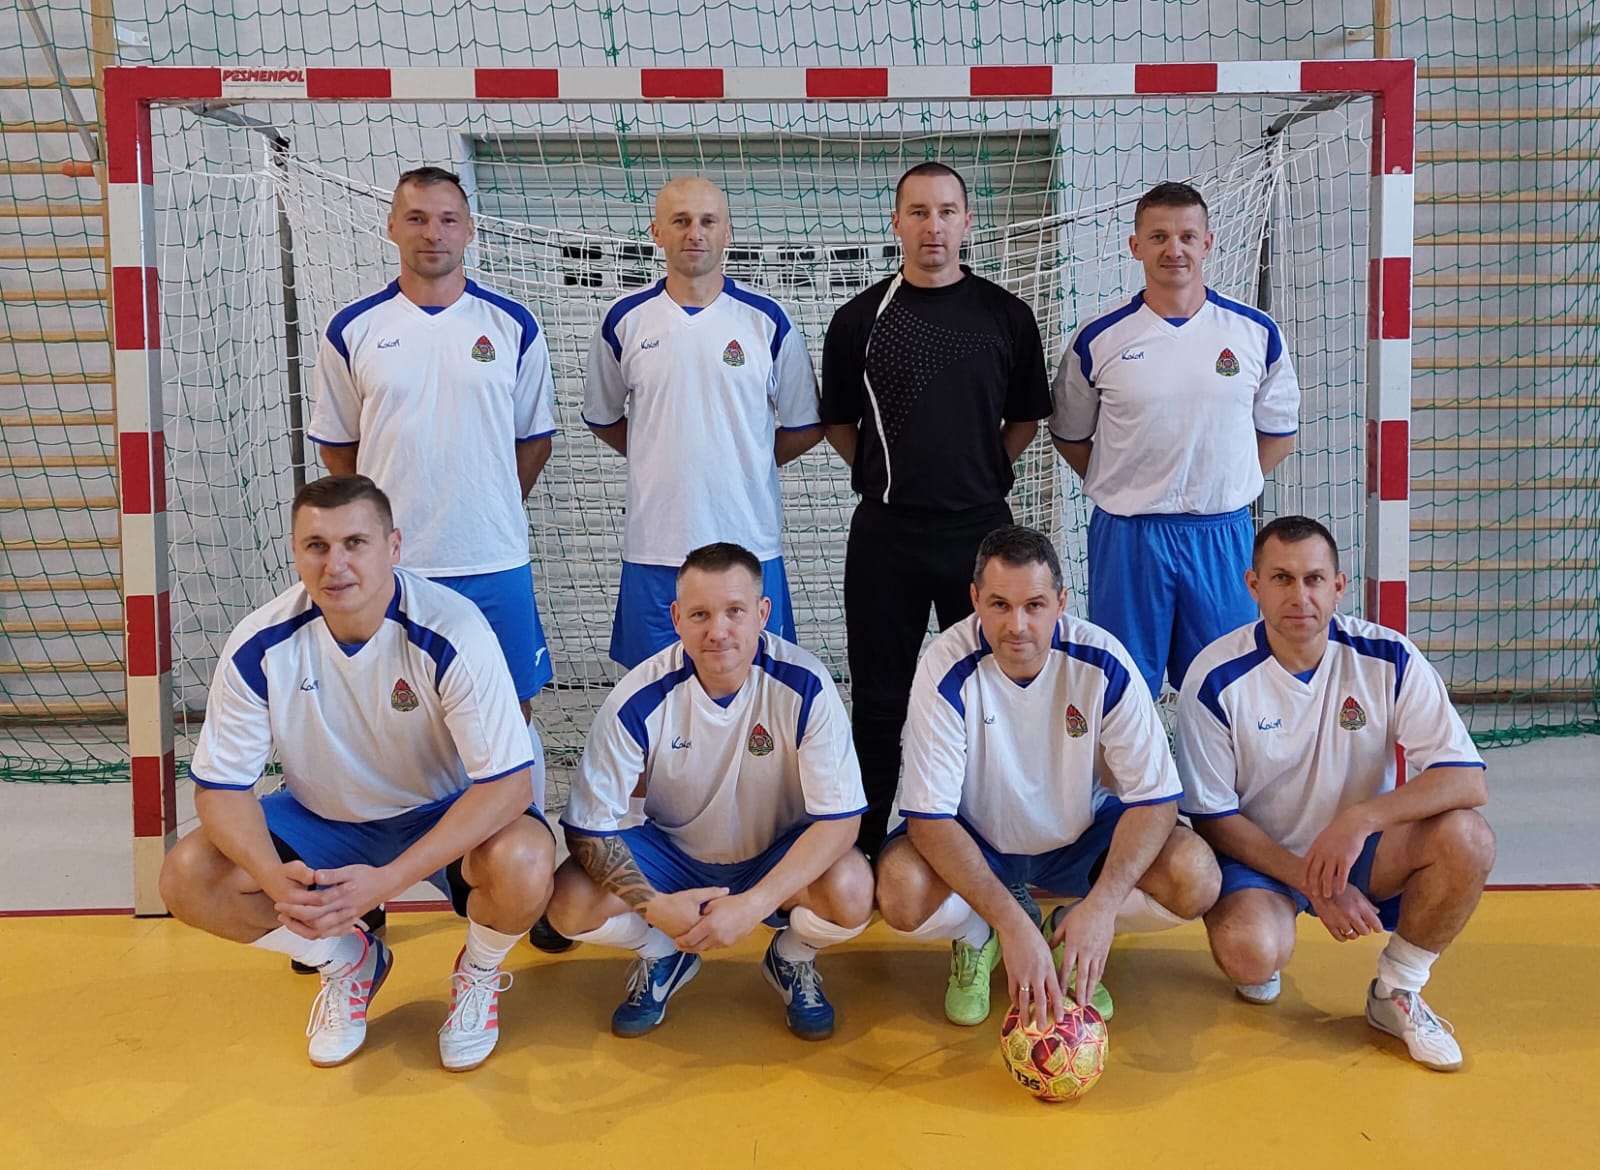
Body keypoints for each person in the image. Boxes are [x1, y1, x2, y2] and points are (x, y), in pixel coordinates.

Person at [157, 475, 556, 1071]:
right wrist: (273, 879)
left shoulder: (452, 629)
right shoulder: (260, 642)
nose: (335, 564)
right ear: (295, 552)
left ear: (393, 546)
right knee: (187, 876)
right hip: (325, 818)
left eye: (355, 543)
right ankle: (347, 961)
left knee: (524, 863)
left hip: (442, 814)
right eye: (316, 546)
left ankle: (477, 973)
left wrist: (385, 882)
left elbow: (508, 785)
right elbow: (220, 789)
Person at [1175, 515, 1494, 1071]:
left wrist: (1361, 819)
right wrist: (1312, 880)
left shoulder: (1388, 657)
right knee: (1252, 954)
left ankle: (1397, 990)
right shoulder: (1214, 677)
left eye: (1314, 579)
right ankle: (1265, 939)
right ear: (1253, 585)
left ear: (1339, 586)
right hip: (1262, 857)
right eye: (1282, 579)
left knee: (1468, 837)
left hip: (1360, 851)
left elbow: (1466, 779)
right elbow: (1212, 818)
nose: (1300, 596)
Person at [874, 525, 1219, 1031]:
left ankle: (1068, 931)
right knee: (899, 889)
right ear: (975, 600)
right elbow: (929, 821)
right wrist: (1011, 925)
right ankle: (978, 935)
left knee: (1196, 875)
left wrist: (1102, 907)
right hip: (980, 841)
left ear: (1061, 602)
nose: (1017, 625)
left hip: (1080, 839)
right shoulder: (944, 665)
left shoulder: (1102, 660)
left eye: (1034, 605)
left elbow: (1156, 800)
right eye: (999, 605)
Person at [546, 542, 873, 1041]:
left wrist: (755, 904)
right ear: (676, 618)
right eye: (700, 614)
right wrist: (655, 908)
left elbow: (841, 821)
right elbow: (589, 831)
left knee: (852, 889)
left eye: (734, 611)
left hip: (773, 854)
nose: (717, 631)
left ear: (763, 613)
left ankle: (792, 957)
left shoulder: (805, 684)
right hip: (674, 856)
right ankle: (662, 955)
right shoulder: (638, 696)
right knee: (568, 902)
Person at [821, 162, 1052, 856]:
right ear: (896, 223)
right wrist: (884, 477)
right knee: (880, 699)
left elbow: (1025, 418)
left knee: (988, 692)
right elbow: (839, 424)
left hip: (980, 538)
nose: (933, 226)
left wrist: (981, 474)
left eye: (947, 211)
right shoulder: (858, 319)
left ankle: (991, 841)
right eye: (918, 212)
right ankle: (865, 845)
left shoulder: (1006, 316)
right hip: (886, 537)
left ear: (967, 222)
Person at [1050, 181, 1300, 701]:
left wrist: (1222, 480)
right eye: (1159, 236)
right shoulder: (1099, 338)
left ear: (1207, 243)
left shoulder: (1254, 332)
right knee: (1122, 692)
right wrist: (1127, 482)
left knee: (1225, 689)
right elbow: (1070, 436)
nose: (1174, 249)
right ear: (1135, 246)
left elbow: (1279, 436)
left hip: (1222, 537)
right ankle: (1123, 763)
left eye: (1187, 236)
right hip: (1129, 538)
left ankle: (1217, 765)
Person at [584, 177, 822, 669]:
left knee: (758, 686)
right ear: (657, 232)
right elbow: (604, 418)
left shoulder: (767, 319)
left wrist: (745, 460)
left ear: (727, 231)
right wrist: (659, 451)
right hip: (656, 548)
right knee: (654, 690)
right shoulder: (624, 319)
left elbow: (804, 425)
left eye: (708, 221)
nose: (695, 233)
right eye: (681, 221)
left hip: (749, 545)